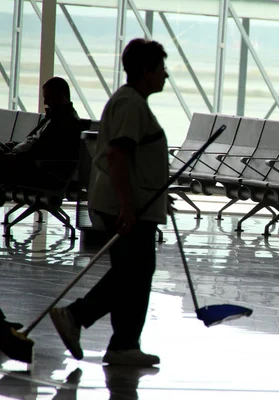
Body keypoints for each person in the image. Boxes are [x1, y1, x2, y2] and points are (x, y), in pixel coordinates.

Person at [50, 38, 170, 367]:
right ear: (146, 71)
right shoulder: (130, 104)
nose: (166, 75)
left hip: (132, 201)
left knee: (134, 272)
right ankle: (75, 316)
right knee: (133, 273)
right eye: (161, 68)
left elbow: (135, 160)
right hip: (125, 204)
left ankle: (124, 344)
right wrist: (128, 206)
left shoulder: (132, 102)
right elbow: (118, 157)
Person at [0, 77, 83, 187]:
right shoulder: (56, 118)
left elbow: (39, 151)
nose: (45, 102)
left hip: (36, 172)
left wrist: (11, 155)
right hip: (27, 164)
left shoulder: (63, 123)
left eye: (48, 98)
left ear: (61, 96)